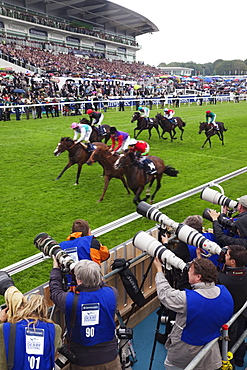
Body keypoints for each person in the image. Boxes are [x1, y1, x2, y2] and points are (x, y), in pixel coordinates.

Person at [154, 256, 234, 370]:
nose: (187, 273)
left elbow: (165, 294)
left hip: (184, 352)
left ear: (198, 277)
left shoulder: (187, 299)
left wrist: (159, 271)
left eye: (190, 271)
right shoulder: (224, 292)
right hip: (210, 351)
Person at [49, 258, 121, 370]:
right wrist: (92, 275)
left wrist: (56, 269)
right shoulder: (112, 293)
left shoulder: (70, 301)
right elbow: (102, 284)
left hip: (82, 361)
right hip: (110, 358)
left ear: (79, 280)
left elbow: (55, 291)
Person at [0, 282, 62, 370]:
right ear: (43, 310)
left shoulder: (5, 328)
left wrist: (1, 320)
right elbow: (58, 346)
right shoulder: (55, 329)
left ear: (23, 308)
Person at [217, 245, 247, 368]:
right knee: (241, 337)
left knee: (227, 342)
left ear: (233, 262)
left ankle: (229, 363)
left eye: (227, 255)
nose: (225, 256)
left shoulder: (221, 279)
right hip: (243, 313)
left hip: (228, 317)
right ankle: (239, 359)